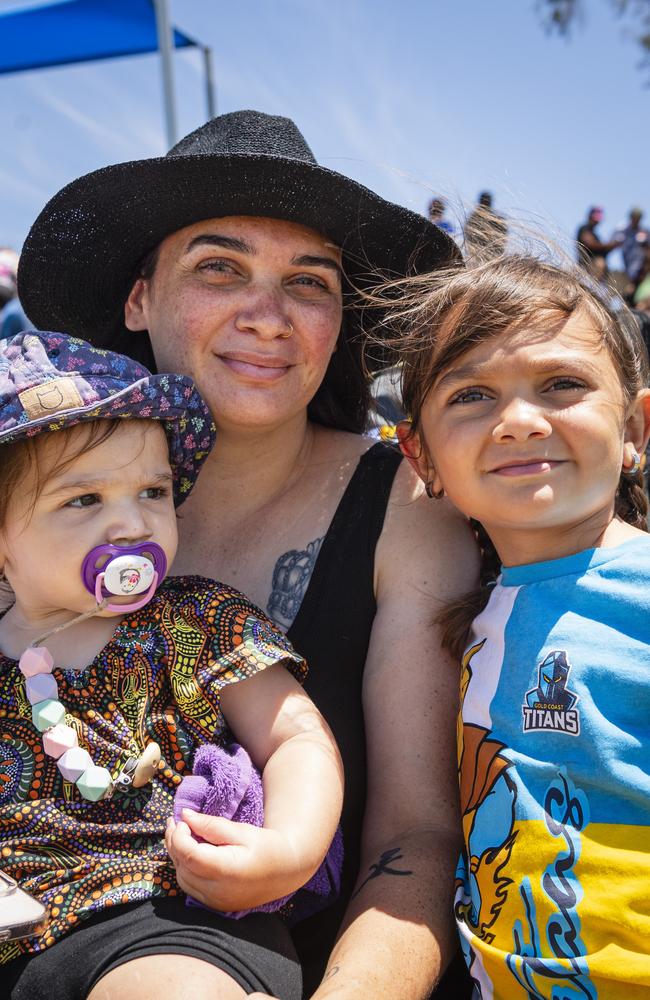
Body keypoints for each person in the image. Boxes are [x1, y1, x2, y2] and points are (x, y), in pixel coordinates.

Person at [18, 110, 478, 999]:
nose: (267, 317)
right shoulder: (24, 502)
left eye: (309, 282)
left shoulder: (409, 511)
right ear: (138, 296)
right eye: (219, 267)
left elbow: (414, 837)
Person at [0, 330, 343, 1000]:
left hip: (166, 913)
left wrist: (288, 850)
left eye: (153, 493)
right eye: (84, 500)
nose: (133, 525)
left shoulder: (195, 623)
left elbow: (297, 738)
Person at [389, 253, 650, 997]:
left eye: (562, 384)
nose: (519, 423)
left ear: (636, 427)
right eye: (471, 394)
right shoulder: (470, 619)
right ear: (423, 458)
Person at [575, 205, 622, 275]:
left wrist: (613, 246)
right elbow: (591, 244)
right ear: (590, 216)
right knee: (600, 263)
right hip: (585, 266)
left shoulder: (596, 235)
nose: (596, 222)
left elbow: (602, 250)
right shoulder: (584, 229)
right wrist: (610, 245)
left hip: (593, 270)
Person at [463, 191, 507, 258]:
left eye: (486, 201)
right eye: (485, 201)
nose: (486, 204)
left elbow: (502, 239)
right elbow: (469, 237)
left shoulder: (497, 219)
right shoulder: (473, 218)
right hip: (477, 254)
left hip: (490, 254)